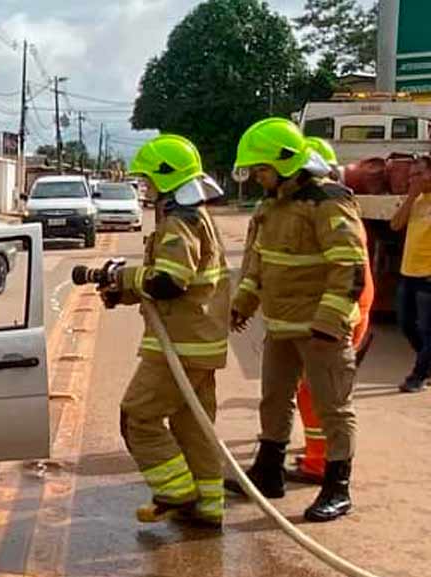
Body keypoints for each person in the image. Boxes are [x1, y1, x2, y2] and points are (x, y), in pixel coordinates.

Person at [229, 118, 368, 523]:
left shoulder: (329, 202)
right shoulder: (270, 207)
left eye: (261, 170)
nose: (257, 178)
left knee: (334, 408)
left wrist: (330, 321)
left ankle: (337, 486)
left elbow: (350, 268)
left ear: (287, 163)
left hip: (320, 330)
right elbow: (258, 264)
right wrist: (243, 303)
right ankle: (268, 471)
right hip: (281, 326)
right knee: (273, 399)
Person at [108, 134, 230, 527]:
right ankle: (208, 505)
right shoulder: (197, 218)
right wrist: (124, 291)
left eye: (148, 180)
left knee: (137, 417)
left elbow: (169, 283)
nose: (145, 187)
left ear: (166, 177)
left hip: (178, 346)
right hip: (200, 342)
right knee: (192, 425)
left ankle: (176, 492)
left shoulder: (180, 222)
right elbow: (179, 284)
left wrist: (122, 275)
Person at [287, 137, 376, 482]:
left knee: (318, 391)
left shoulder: (330, 209)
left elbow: (341, 271)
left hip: (340, 314)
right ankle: (318, 455)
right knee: (316, 389)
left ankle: (321, 462)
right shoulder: (331, 207)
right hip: (349, 308)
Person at [390, 155, 431, 392]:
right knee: (406, 324)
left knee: (428, 329)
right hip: (408, 272)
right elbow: (395, 225)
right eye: (410, 176)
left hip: (428, 276)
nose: (412, 180)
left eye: (418, 174)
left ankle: (418, 376)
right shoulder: (415, 202)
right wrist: (411, 197)